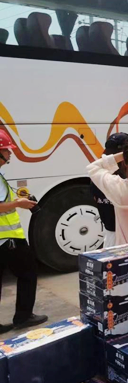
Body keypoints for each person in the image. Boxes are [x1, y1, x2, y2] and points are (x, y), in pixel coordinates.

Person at [0, 131, 48, 333]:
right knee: (28, 273)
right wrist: (18, 204)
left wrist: (18, 199)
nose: (10, 154)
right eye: (7, 150)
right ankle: (23, 316)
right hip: (7, 239)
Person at [91, 133, 128, 248]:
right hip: (127, 237)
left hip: (109, 236)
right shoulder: (126, 180)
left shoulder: (98, 178)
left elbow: (93, 167)